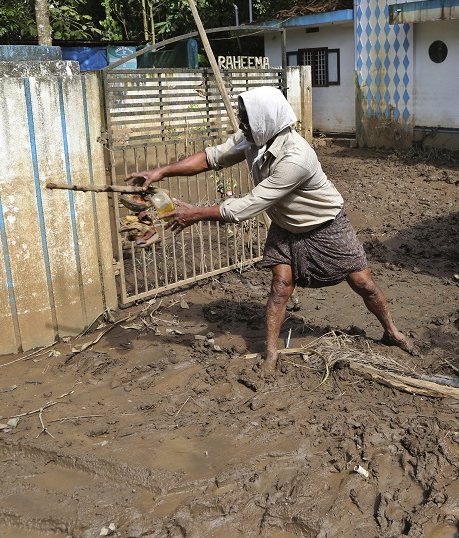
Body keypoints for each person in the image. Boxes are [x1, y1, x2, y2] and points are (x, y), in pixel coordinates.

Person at [126, 86, 414, 370]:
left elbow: (252, 203)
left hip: (324, 224)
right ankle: (272, 352)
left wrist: (196, 213)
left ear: (266, 120)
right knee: (280, 287)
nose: (241, 125)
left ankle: (391, 331)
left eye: (246, 119)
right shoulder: (253, 138)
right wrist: (161, 171)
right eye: (242, 118)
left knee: (363, 284)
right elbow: (211, 158)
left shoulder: (296, 157)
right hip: (286, 223)